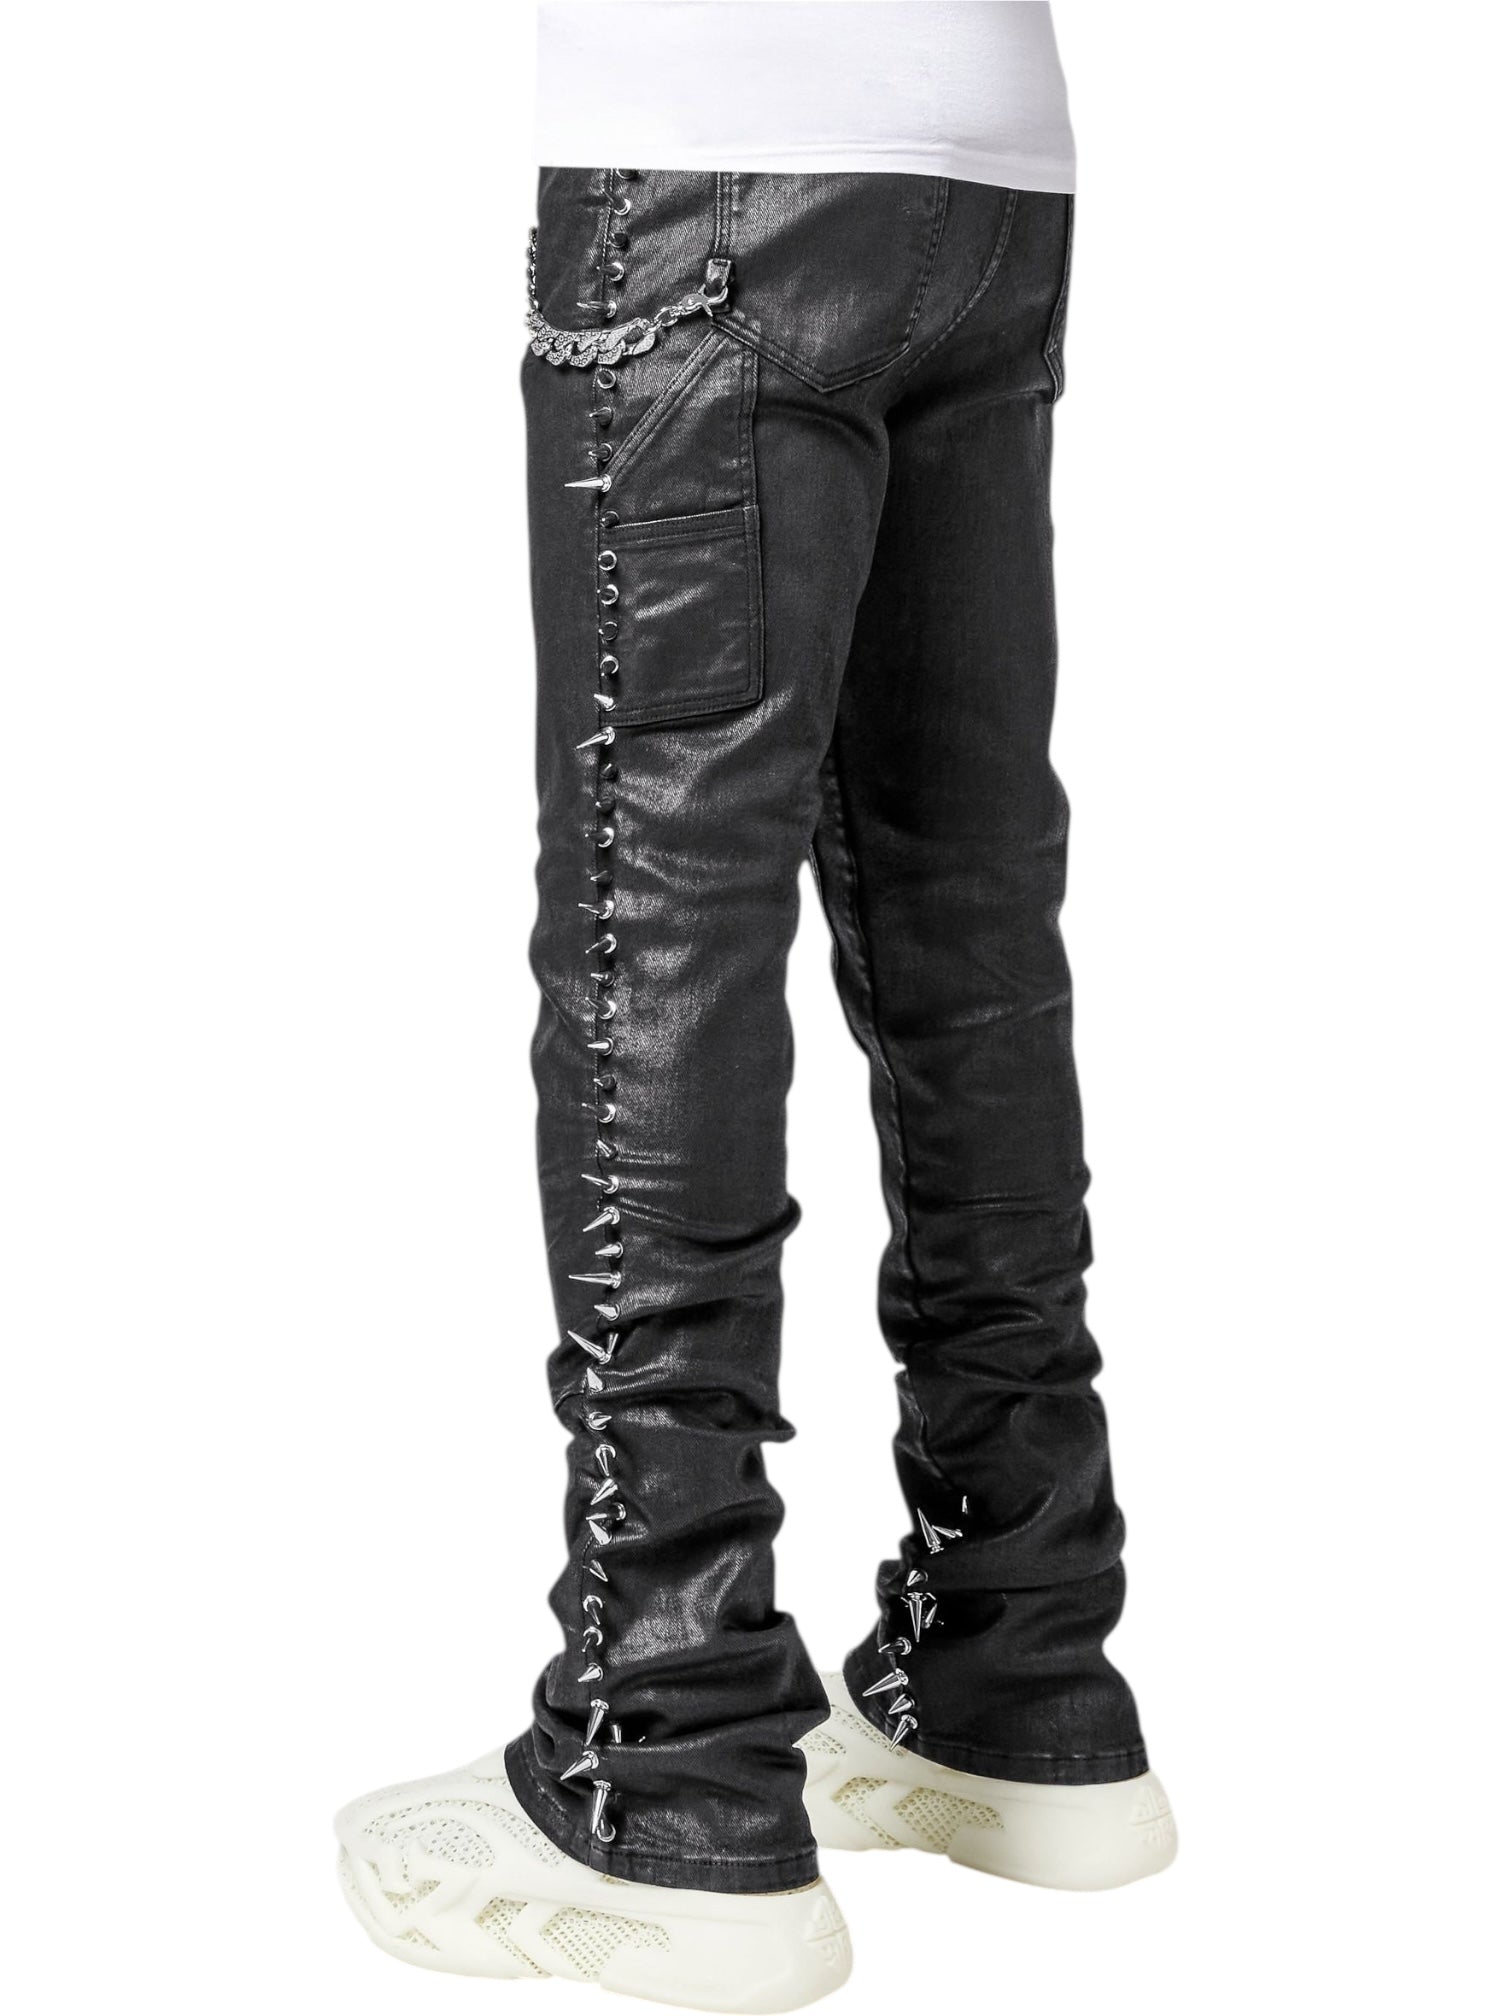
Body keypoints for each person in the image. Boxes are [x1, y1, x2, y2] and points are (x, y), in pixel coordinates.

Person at [336, 5, 1175, 2005]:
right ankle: (1019, 1661)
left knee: (662, 915)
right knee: (966, 909)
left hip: (712, 170)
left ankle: (669, 1754)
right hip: (991, 167)